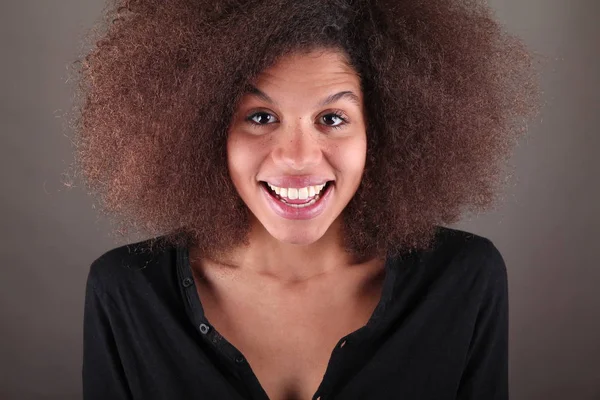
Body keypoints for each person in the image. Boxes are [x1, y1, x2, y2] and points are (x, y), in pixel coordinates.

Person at [70, 0, 540, 399]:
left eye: (332, 118)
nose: (297, 158)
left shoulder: (461, 281)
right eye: (260, 117)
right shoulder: (129, 292)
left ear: (386, 132)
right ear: (206, 131)